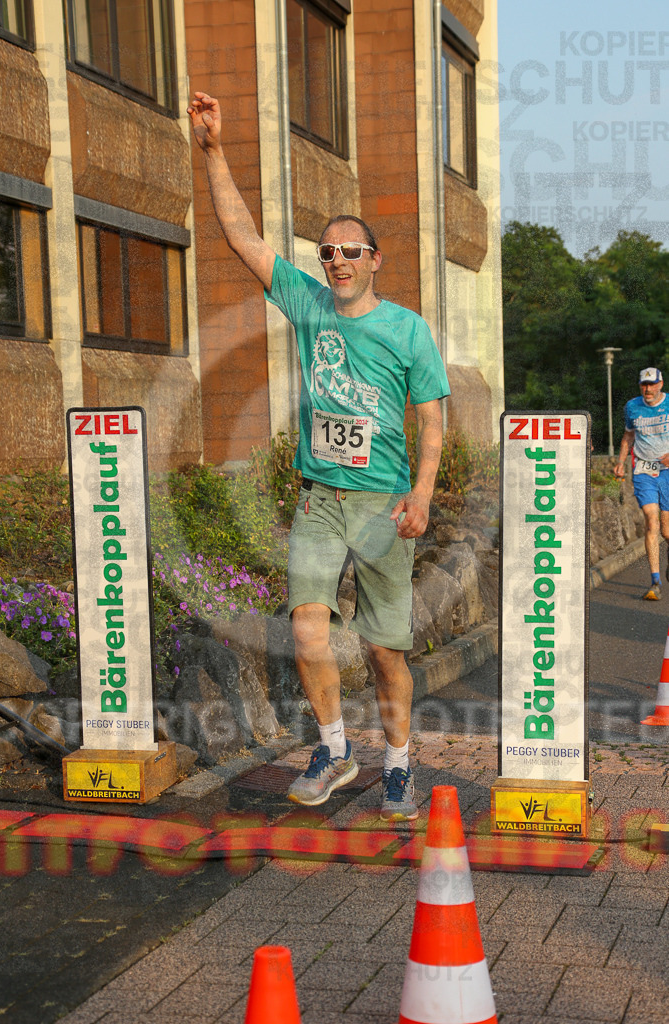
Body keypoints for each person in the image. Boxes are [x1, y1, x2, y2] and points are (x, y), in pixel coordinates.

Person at [187, 92, 450, 821]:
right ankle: (334, 749)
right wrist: (211, 150)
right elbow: (242, 236)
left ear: (374, 261)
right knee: (307, 631)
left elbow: (432, 423)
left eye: (349, 252)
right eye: (326, 253)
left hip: (381, 506)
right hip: (320, 499)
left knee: (384, 651)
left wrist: (421, 495)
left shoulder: (405, 331)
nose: (335, 262)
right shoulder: (305, 305)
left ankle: (397, 764)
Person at [614, 367, 669, 600]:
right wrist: (620, 462)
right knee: (651, 520)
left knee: (666, 529)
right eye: (643, 385)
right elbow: (629, 436)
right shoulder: (632, 407)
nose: (647, 389)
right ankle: (655, 582)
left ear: (660, 384)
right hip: (644, 470)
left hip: (667, 471)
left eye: (651, 384)